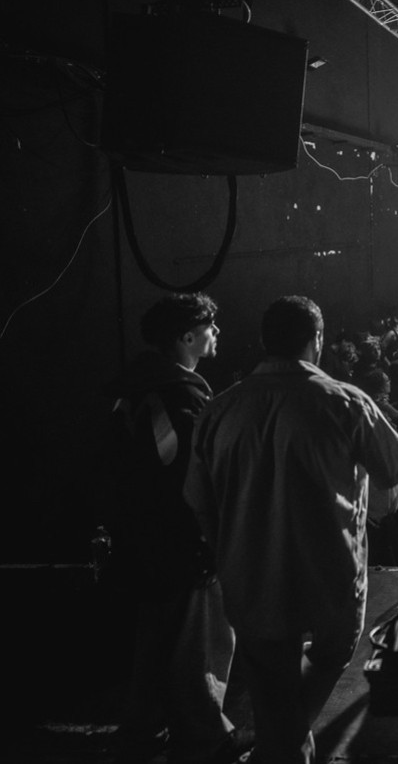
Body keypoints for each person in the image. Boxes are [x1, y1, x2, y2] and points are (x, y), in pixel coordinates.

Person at [185, 296, 398, 764]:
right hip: (329, 572)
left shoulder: (219, 410)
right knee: (333, 651)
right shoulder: (344, 401)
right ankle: (284, 748)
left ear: (265, 342)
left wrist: (226, 549)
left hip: (247, 572)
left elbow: (198, 502)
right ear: (316, 340)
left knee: (268, 670)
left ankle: (281, 746)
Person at [102, 293, 250, 764]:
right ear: (187, 337)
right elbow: (190, 472)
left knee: (155, 640)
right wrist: (210, 535)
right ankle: (207, 735)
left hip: (141, 536)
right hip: (180, 540)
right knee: (198, 645)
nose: (217, 334)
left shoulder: (134, 386)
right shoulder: (181, 392)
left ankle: (141, 730)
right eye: (210, 326)